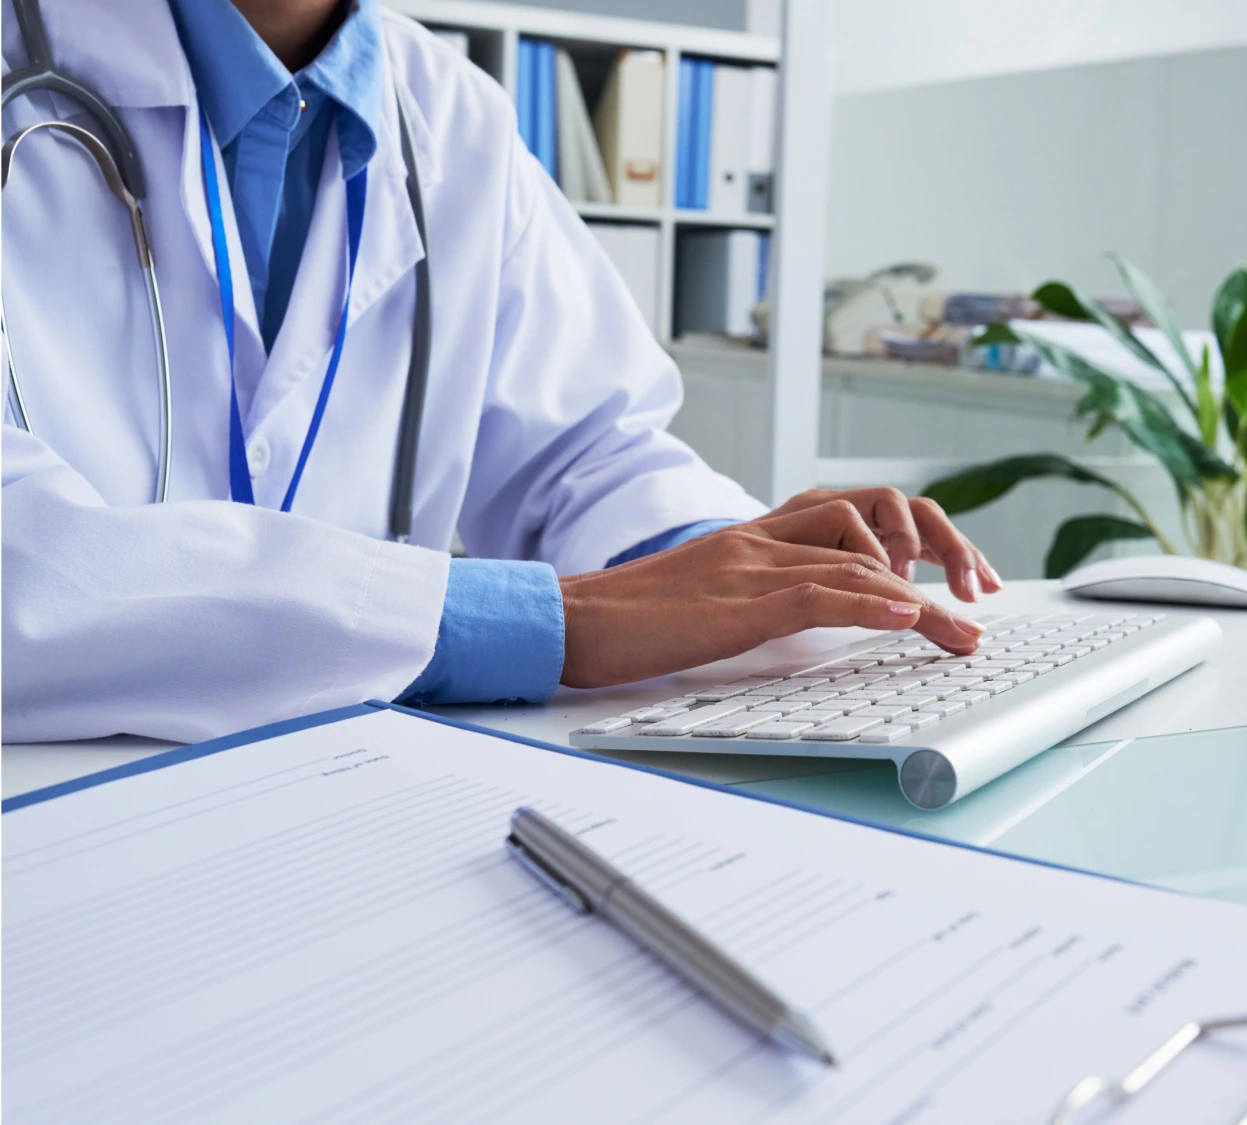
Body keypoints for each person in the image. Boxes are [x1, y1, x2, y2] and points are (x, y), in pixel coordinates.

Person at [0, 0, 1000, 744]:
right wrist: (548, 624)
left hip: (349, 798)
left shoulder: (449, 114)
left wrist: (736, 563)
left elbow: (588, 447)